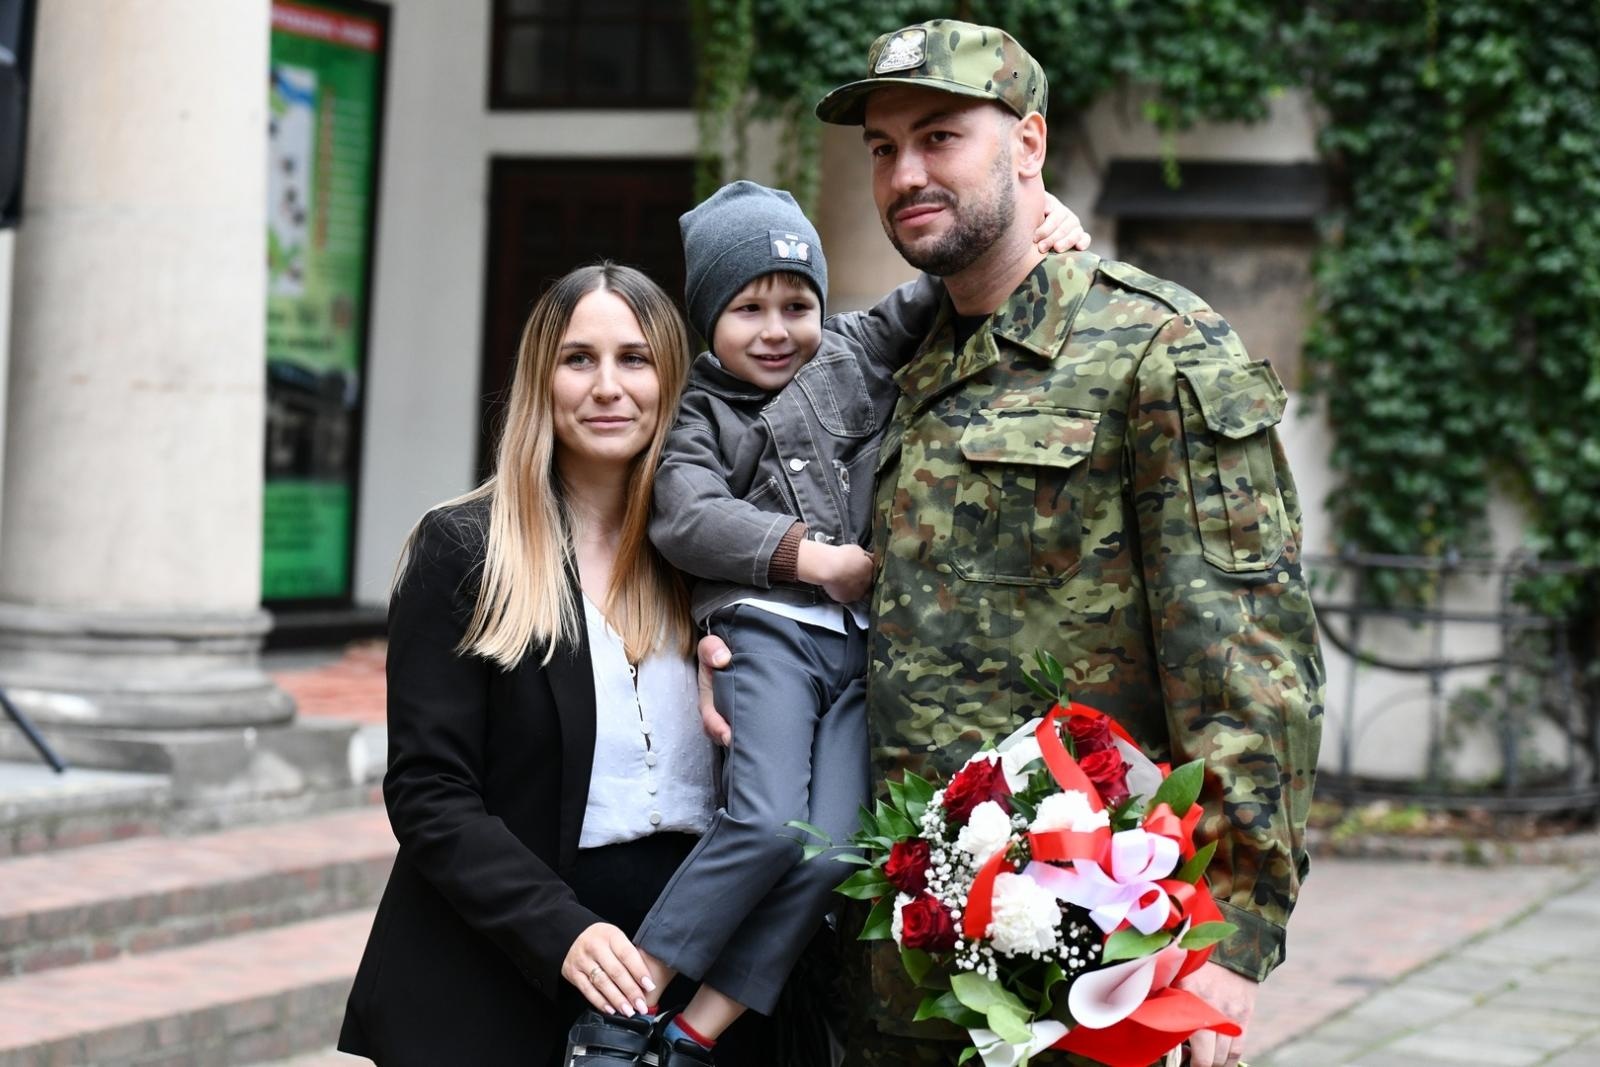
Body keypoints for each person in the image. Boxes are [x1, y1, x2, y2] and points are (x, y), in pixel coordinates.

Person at [697, 19, 1326, 1067]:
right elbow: (730, 502)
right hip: (873, 966)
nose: (904, 173)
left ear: (1027, 144)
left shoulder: (1155, 351)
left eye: (939, 136)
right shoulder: (879, 366)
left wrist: (1228, 943)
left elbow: (1248, 667)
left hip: (1075, 972)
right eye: (883, 149)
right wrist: (712, 642)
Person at [565, 181, 1088, 1065]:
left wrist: (1045, 225)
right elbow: (684, 517)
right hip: (768, 633)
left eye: (796, 303)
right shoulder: (697, 410)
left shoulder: (852, 349)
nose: (776, 329)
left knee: (833, 851)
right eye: (748, 308)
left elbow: (946, 282)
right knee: (768, 822)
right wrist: (811, 556)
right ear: (707, 321)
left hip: (857, 654)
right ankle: (635, 993)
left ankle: (695, 1033)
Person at [337, 263, 773, 1067]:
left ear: (673, 376)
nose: (608, 386)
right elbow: (430, 792)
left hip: (683, 967)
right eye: (579, 359)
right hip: (505, 968)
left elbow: (846, 359)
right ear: (542, 377)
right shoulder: (465, 549)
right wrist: (561, 931)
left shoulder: (712, 559)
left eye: (634, 359)